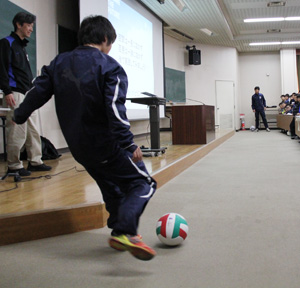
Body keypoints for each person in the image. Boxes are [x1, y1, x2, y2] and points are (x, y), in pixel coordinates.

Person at [13, 15, 157, 261]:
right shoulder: (110, 66)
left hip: (79, 148)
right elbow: (115, 111)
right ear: (104, 39)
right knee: (143, 184)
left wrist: (19, 114)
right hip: (108, 145)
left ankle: (116, 229)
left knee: (110, 187)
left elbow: (37, 92)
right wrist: (129, 143)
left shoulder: (59, 63)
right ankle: (125, 231)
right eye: (110, 42)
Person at [0, 12, 51, 176]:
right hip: (15, 94)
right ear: (18, 25)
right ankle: (14, 165)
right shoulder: (6, 43)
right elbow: (1, 69)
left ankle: (35, 161)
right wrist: (7, 91)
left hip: (28, 93)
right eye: (28, 25)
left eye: (32, 26)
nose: (31, 29)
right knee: (17, 131)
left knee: (33, 130)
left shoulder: (22, 46)